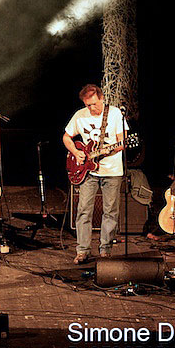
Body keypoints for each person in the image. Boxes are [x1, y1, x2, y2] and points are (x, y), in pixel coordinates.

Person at [62, 84, 128, 264]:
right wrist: (76, 152)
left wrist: (108, 150)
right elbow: (66, 137)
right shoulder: (80, 115)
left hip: (112, 171)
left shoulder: (115, 114)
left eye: (94, 104)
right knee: (83, 210)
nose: (91, 108)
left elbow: (122, 142)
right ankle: (82, 251)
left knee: (110, 211)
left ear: (102, 98)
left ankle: (105, 249)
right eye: (88, 105)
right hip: (88, 172)